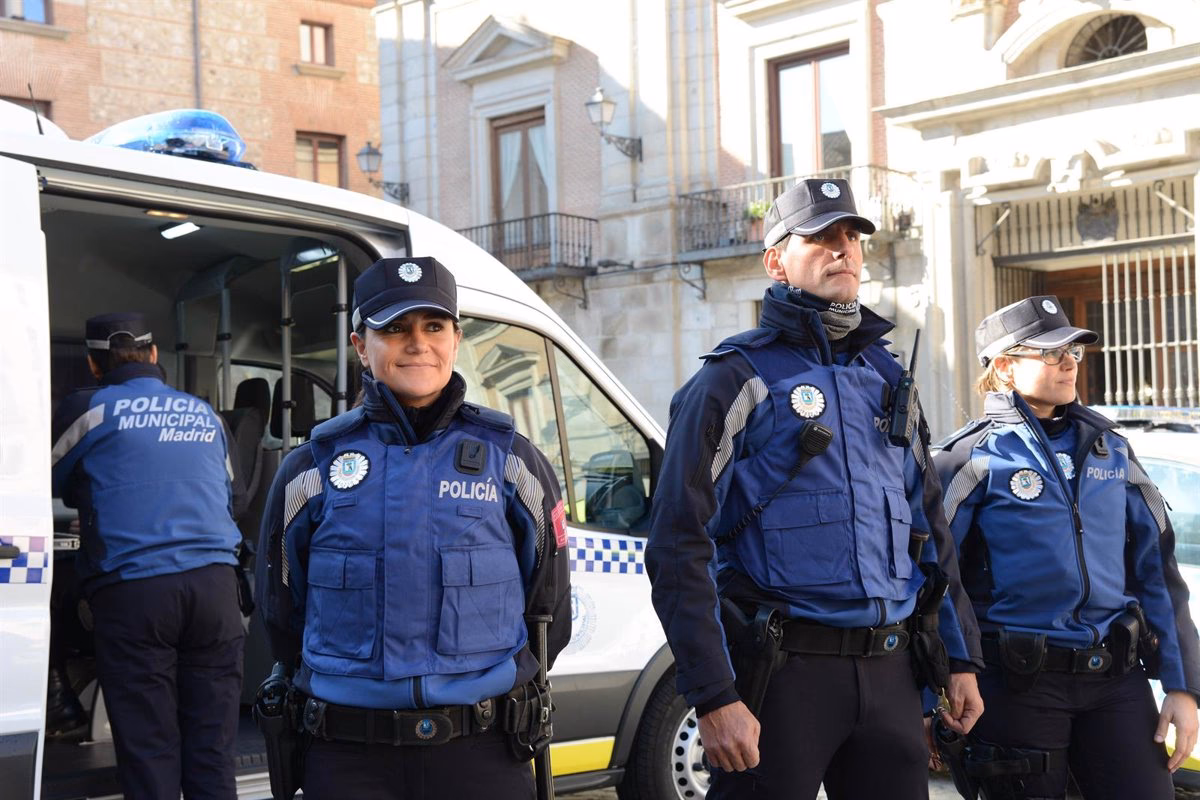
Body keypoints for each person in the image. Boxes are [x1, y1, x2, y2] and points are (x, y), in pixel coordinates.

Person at [646, 178, 985, 799]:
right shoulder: (731, 381)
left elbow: (930, 530)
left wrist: (960, 660)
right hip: (781, 679)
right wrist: (715, 696)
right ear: (775, 260)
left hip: (889, 673)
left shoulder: (886, 376)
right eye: (821, 238)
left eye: (852, 238)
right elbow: (676, 548)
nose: (843, 251)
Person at [257, 256, 570, 800]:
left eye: (433, 326)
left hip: (481, 755)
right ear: (360, 345)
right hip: (349, 755)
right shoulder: (310, 468)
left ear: (455, 337)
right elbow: (282, 608)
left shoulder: (511, 460)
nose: (416, 343)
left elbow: (548, 605)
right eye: (395, 328)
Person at [933, 296, 1200, 799]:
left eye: (1074, 351)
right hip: (1016, 686)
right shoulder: (966, 458)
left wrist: (1183, 686)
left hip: (1115, 680)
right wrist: (944, 682)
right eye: (1051, 352)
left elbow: (1158, 570)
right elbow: (936, 582)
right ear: (1006, 366)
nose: (1069, 362)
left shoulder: (1112, 448)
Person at [50, 312, 246, 800]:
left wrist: (96, 504)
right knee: (211, 749)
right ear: (155, 355)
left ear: (94, 365)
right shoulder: (206, 415)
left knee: (150, 751)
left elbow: (42, 478)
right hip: (216, 592)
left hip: (135, 592)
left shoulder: (87, 409)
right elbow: (232, 497)